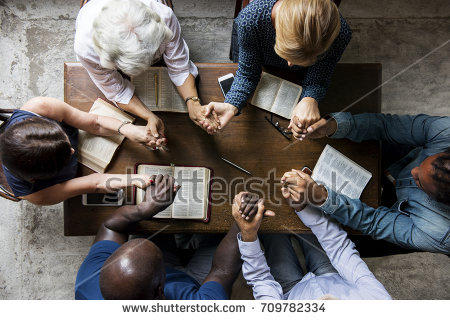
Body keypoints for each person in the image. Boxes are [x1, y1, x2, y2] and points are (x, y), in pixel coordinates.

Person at [290, 112, 450, 254]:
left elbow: (373, 222)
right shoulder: (446, 132)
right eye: (421, 164)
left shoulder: (439, 233)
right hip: (401, 156)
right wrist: (333, 126)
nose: (413, 172)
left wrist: (322, 198)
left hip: (404, 216)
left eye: (419, 182)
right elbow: (386, 126)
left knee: (350, 242)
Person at [75, 174, 242, 300]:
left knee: (151, 227)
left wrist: (144, 209)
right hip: (197, 282)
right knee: (220, 232)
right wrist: (242, 222)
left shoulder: (88, 284)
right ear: (160, 292)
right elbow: (222, 271)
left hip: (154, 279)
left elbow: (110, 226)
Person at [75, 0, 219, 142]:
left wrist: (193, 103)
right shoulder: (86, 49)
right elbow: (117, 91)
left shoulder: (164, 16)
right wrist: (149, 116)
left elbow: (179, 66)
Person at [202, 0, 351, 136]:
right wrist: (231, 105)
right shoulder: (251, 20)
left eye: (304, 59)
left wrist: (310, 98)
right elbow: (248, 73)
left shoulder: (340, 34)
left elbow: (320, 75)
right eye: (287, 54)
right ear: (277, 28)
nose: (290, 65)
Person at [232, 192, 391, 299]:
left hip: (290, 291)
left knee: (270, 223)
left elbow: (261, 279)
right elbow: (340, 249)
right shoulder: (379, 303)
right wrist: (302, 207)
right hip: (332, 275)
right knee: (300, 211)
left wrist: (249, 234)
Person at [0, 97, 155, 205]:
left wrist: (127, 129)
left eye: (67, 143)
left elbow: (95, 122)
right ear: (35, 179)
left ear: (36, 121)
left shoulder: (39, 108)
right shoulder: (36, 194)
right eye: (66, 157)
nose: (73, 150)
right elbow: (94, 183)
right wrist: (135, 179)